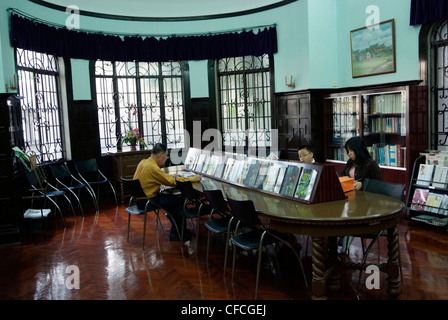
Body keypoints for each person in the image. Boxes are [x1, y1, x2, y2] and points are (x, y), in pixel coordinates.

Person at [133, 143, 202, 241]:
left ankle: (179, 229)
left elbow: (162, 177)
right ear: (160, 155)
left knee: (171, 199)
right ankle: (176, 233)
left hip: (139, 199)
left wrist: (171, 176)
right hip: (147, 201)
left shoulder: (143, 162)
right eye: (165, 156)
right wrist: (193, 178)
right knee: (179, 202)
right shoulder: (153, 167)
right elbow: (172, 182)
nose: (166, 159)